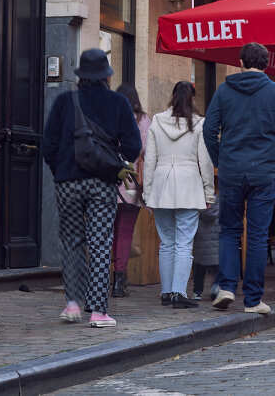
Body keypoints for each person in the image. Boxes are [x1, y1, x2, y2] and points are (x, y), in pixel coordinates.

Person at [41, 49, 142, 328]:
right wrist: (117, 164)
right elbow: (133, 144)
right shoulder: (118, 103)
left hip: (68, 183)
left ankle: (72, 304)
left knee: (72, 241)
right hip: (102, 183)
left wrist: (61, 170)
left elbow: (48, 144)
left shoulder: (64, 101)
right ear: (107, 76)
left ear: (81, 76)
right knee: (100, 242)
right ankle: (98, 311)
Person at [204, 42, 275, 314]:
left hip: (231, 170)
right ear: (266, 64)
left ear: (240, 62)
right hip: (263, 171)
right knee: (258, 235)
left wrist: (219, 160)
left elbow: (209, 130)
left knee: (229, 230)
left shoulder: (224, 91)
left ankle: (225, 287)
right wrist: (272, 126)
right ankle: (252, 300)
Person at [143, 81, 215, 309]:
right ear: (192, 99)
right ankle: (178, 292)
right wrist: (209, 192)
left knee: (166, 243)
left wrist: (147, 191)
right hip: (189, 184)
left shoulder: (156, 121)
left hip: (162, 184)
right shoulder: (200, 124)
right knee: (184, 243)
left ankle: (166, 292)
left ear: (172, 96)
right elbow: (204, 161)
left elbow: (150, 160)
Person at [112, 83, 151, 298]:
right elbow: (146, 151)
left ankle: (101, 279)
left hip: (108, 181)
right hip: (130, 183)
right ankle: (119, 281)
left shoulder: (108, 115)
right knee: (125, 233)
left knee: (105, 232)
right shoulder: (142, 120)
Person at [192, 184, 220, 301]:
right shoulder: (219, 200)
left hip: (200, 240)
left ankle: (197, 292)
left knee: (199, 268)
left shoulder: (197, 200)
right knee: (218, 267)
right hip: (216, 241)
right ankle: (216, 287)